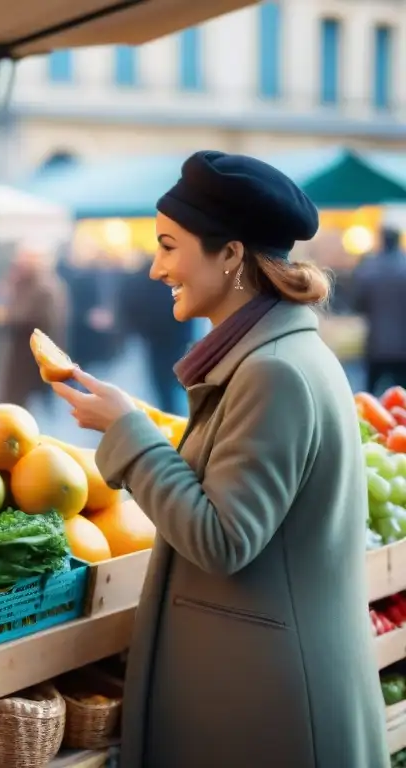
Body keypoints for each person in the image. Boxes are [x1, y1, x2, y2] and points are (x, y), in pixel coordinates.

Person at [54, 151, 386, 768]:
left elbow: (223, 538)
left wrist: (129, 432)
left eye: (168, 246)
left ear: (230, 255)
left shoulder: (274, 373)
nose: (155, 268)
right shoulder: (272, 357)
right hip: (253, 686)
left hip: (266, 708)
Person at [118, 254, 195, 416]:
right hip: (175, 340)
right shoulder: (179, 281)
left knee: (163, 385)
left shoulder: (142, 281)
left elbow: (131, 306)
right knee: (179, 383)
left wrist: (141, 331)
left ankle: (171, 416)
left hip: (156, 341)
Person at [0, 240, 68, 411]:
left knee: (25, 404)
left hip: (32, 356)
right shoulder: (23, 283)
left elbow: (37, 320)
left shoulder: (46, 288)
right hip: (20, 353)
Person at [353, 225, 406, 392]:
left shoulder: (368, 269)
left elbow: (358, 304)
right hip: (403, 347)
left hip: (376, 345)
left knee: (369, 399)